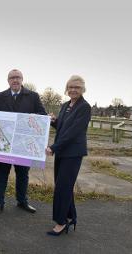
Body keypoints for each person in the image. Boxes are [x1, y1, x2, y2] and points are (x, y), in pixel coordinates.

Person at [0, 69, 46, 214]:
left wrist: (30, 119)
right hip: (4, 144)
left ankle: (22, 202)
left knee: (23, 175)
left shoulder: (33, 96)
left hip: (24, 144)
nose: (15, 80)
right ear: (8, 81)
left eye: (18, 77)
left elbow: (42, 115)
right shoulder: (0, 96)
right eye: (12, 78)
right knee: (1, 174)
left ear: (22, 79)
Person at [45, 75, 91, 236]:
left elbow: (73, 132)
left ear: (82, 89)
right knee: (63, 186)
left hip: (73, 153)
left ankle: (61, 222)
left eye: (77, 87)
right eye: (70, 87)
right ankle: (72, 217)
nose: (73, 90)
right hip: (63, 152)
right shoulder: (65, 105)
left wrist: (54, 147)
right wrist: (53, 121)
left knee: (63, 187)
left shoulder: (85, 107)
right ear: (66, 88)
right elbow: (63, 127)